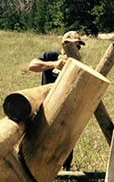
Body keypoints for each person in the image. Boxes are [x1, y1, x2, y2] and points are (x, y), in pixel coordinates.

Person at [28, 31, 86, 171]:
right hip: (47, 107)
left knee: (65, 142)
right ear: (64, 44)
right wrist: (54, 64)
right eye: (73, 47)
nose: (76, 50)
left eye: (78, 48)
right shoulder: (51, 56)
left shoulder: (76, 63)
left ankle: (64, 170)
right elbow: (32, 66)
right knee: (41, 140)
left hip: (67, 109)